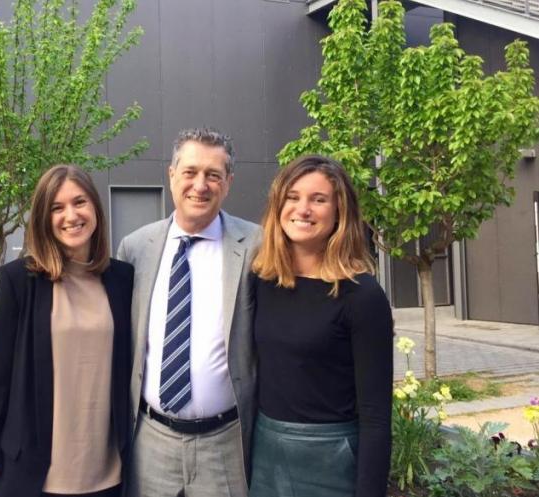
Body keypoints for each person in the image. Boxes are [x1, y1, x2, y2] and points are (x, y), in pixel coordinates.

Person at [0, 165, 133, 497]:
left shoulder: (123, 279)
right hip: (34, 476)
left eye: (79, 202)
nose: (71, 215)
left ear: (96, 209)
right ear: (44, 218)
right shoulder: (19, 280)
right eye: (57, 208)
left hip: (110, 475)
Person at [117, 128, 260, 497]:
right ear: (171, 175)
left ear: (228, 182)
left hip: (224, 444)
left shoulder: (257, 247)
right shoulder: (135, 248)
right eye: (190, 172)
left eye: (213, 175)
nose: (201, 185)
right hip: (151, 440)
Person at [249, 155, 393, 497]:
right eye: (293, 197)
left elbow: (376, 417)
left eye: (319, 199)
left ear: (340, 212)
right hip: (267, 455)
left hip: (332, 460)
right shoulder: (262, 280)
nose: (303, 209)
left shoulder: (362, 295)